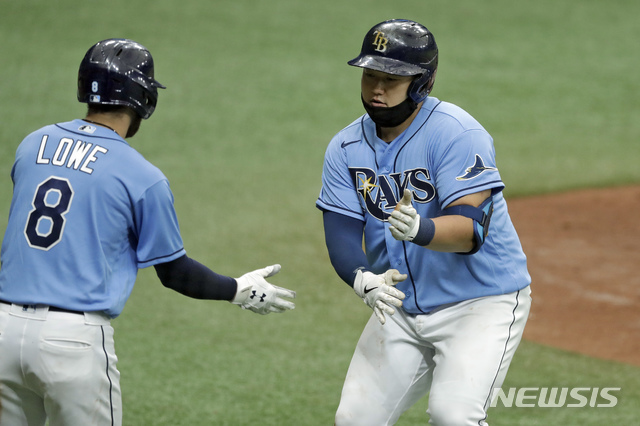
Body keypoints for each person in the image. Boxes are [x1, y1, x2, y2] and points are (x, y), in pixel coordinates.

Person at [0, 38, 296, 426]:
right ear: (143, 99)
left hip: (4, 331)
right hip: (71, 343)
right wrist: (239, 290)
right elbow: (175, 273)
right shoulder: (142, 176)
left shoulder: (32, 144)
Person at [316, 19, 532, 425]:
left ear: (421, 82)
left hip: (480, 302)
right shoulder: (344, 147)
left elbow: (471, 231)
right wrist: (362, 278)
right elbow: (340, 231)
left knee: (453, 415)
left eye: (391, 79)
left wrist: (421, 230)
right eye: (370, 75)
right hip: (400, 307)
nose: (377, 89)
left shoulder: (457, 134)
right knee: (355, 419)